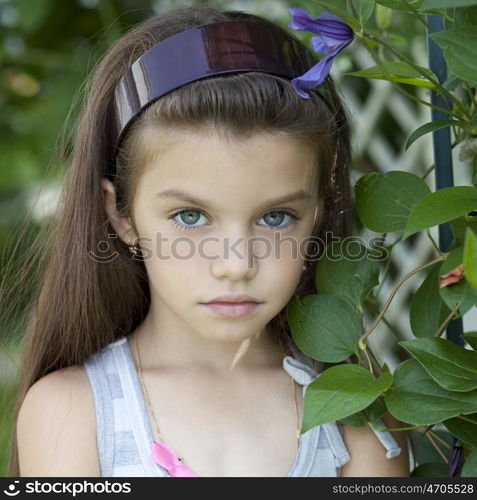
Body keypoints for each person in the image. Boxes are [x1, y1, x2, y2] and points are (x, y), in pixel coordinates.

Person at [9, 6, 409, 477]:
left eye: (277, 217)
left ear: (317, 215)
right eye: (191, 216)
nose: (236, 264)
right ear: (121, 214)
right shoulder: (72, 412)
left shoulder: (358, 411)